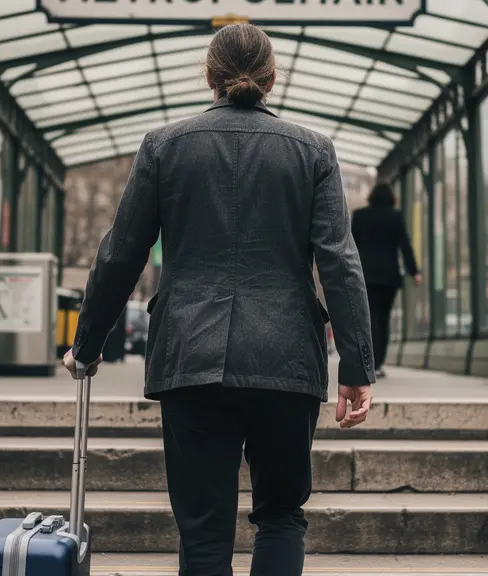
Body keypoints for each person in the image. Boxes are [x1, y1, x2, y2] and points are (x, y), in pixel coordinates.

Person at [62, 23, 375, 576]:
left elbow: (120, 255)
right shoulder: (315, 151)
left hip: (191, 358)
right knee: (281, 515)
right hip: (286, 359)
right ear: (272, 79)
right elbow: (339, 262)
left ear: (208, 76)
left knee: (203, 533)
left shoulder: (164, 146)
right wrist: (357, 365)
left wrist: (86, 345)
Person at [351, 183, 421, 378]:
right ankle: (378, 363)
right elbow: (404, 244)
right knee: (383, 319)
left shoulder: (360, 216)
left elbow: (350, 245)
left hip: (364, 275)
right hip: (389, 277)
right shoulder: (395, 217)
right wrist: (414, 271)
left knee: (369, 318)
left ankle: (369, 362)